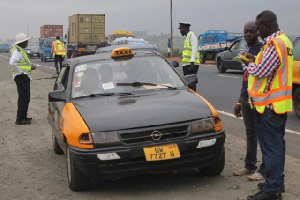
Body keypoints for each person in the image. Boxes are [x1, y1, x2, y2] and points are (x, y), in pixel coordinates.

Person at [244, 10, 293, 200]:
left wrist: (249, 63)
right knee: (277, 147)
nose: (257, 33)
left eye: (258, 29)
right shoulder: (285, 42)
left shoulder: (275, 44)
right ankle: (276, 182)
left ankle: (272, 191)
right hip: (277, 105)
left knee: (271, 148)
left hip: (269, 105)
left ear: (267, 26)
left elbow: (261, 71)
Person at [233, 21, 264, 181]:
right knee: (250, 133)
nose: (247, 34)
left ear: (257, 32)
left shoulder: (262, 50)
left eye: (251, 32)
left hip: (258, 98)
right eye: (245, 31)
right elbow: (246, 79)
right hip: (246, 97)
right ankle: (249, 165)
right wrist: (239, 101)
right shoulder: (248, 50)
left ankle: (265, 169)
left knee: (264, 133)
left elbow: (260, 75)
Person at [9, 33, 37, 125]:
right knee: (24, 98)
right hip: (21, 77)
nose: (27, 43)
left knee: (25, 98)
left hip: (23, 76)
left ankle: (23, 116)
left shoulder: (20, 50)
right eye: (26, 41)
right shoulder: (18, 51)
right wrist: (19, 72)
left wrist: (30, 66)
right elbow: (12, 62)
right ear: (22, 42)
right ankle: (20, 119)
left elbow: (22, 63)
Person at [178, 22, 200, 91]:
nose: (180, 31)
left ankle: (193, 98)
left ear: (185, 28)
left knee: (191, 84)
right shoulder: (188, 36)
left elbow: (194, 49)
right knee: (188, 84)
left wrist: (192, 62)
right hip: (187, 64)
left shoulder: (192, 35)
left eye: (181, 28)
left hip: (191, 65)